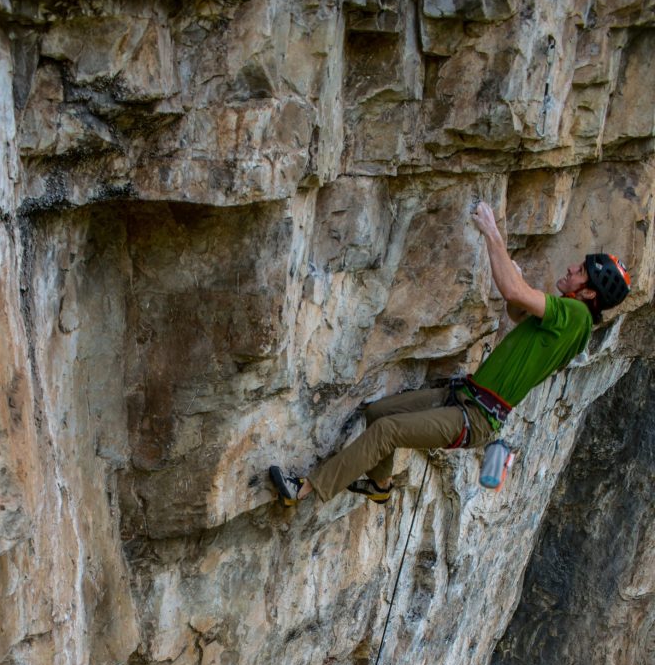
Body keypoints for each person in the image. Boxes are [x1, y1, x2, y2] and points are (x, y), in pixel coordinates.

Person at [269, 201, 631, 506]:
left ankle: (304, 490)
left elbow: (513, 293)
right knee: (378, 412)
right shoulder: (574, 322)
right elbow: (517, 309)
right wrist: (516, 283)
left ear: (589, 294)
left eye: (581, 271)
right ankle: (380, 487)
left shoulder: (575, 315)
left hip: (474, 418)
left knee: (387, 430)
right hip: (464, 397)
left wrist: (493, 233)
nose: (572, 268)